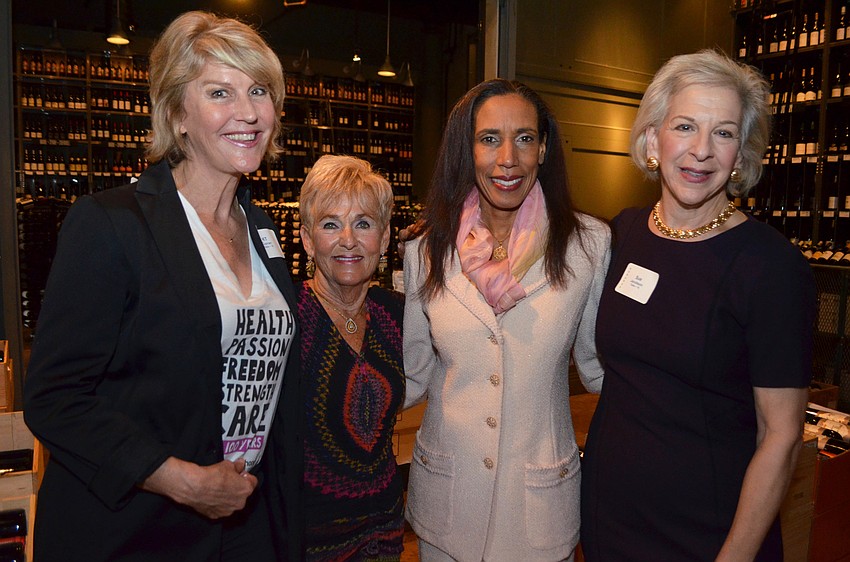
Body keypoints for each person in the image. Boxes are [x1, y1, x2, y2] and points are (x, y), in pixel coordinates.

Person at [23, 11, 303, 561]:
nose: (249, 112)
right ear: (177, 114)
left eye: (259, 91)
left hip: (246, 524)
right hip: (139, 529)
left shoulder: (261, 228)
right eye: (220, 93)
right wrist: (184, 482)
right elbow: (54, 399)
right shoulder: (112, 224)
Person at [580, 49, 816, 561]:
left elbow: (782, 435)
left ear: (741, 156)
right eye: (685, 126)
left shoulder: (772, 267)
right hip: (608, 516)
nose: (701, 150)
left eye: (723, 133)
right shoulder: (622, 233)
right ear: (652, 140)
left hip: (708, 532)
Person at [402, 78, 611, 561]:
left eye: (524, 138)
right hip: (448, 504)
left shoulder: (588, 246)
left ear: (544, 149)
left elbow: (600, 370)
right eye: (490, 139)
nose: (508, 159)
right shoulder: (425, 250)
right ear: (468, 149)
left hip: (539, 507)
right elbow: (411, 375)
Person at [296, 154, 405, 561]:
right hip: (306, 540)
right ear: (307, 239)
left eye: (363, 223)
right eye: (330, 224)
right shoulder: (286, 316)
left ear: (385, 237)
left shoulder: (398, 315)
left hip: (385, 532)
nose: (348, 240)